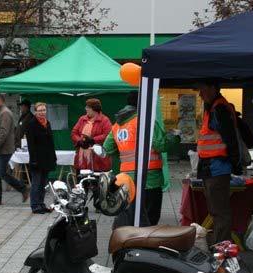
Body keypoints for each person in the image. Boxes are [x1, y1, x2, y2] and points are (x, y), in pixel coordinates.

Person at [104, 91, 180, 228]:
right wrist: (174, 137)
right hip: (149, 178)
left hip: (126, 179)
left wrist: (123, 153)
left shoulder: (117, 124)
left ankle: (131, 242)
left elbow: (107, 148)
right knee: (149, 219)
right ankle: (145, 245)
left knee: (132, 215)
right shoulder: (145, 120)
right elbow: (160, 144)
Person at [197, 82, 240, 244]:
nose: (200, 95)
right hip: (212, 167)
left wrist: (234, 162)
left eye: (202, 90)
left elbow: (229, 138)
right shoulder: (214, 107)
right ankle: (219, 245)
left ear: (213, 89)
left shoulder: (219, 109)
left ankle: (222, 249)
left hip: (217, 167)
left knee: (219, 211)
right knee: (216, 211)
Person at [0, 93, 29, 205]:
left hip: (3, 150)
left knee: (1, 173)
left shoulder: (5, 113)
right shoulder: (0, 112)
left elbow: (4, 132)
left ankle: (23, 188)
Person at [26, 103, 57, 214]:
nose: (42, 112)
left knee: (43, 183)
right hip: (37, 159)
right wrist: (33, 160)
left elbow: (51, 142)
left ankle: (41, 203)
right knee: (36, 183)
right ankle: (35, 205)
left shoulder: (47, 123)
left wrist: (53, 157)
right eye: (39, 110)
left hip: (46, 158)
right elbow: (31, 145)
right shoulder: (31, 124)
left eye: (44, 110)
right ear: (35, 112)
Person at [71, 98, 112, 172]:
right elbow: (74, 132)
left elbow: (108, 135)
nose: (86, 109)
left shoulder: (105, 120)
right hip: (81, 160)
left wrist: (92, 140)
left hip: (98, 161)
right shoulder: (82, 119)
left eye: (88, 107)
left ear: (94, 109)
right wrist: (80, 141)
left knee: (96, 182)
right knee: (81, 181)